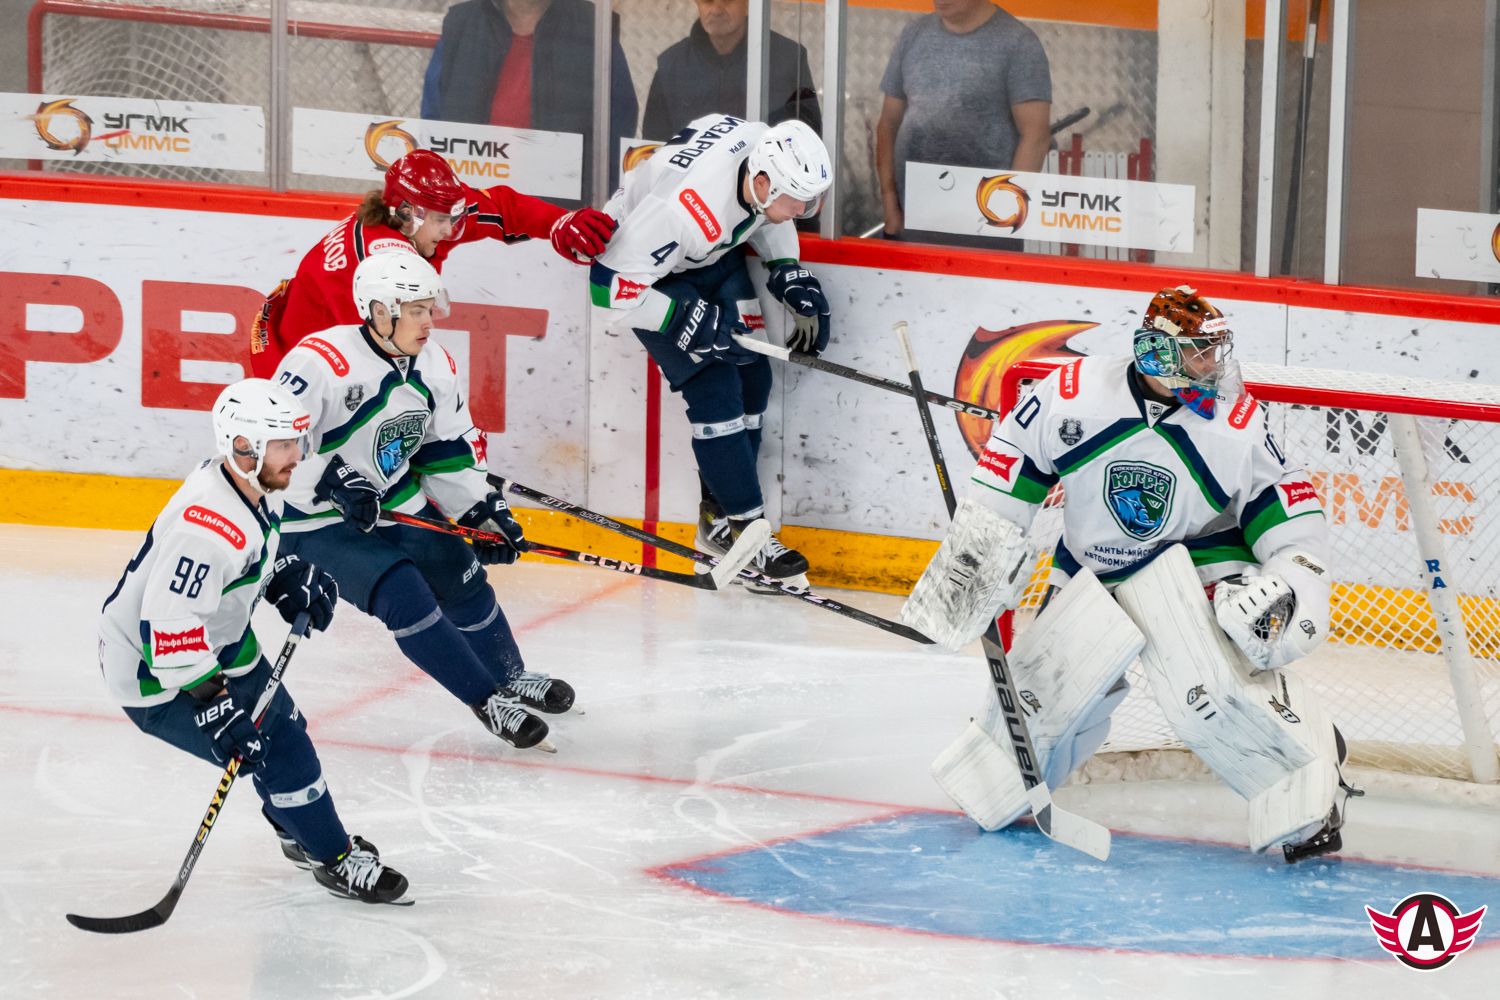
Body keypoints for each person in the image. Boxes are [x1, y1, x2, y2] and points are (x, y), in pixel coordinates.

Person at [902, 286, 1359, 863]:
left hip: (1191, 560)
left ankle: (1311, 789)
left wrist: (1296, 579)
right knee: (1045, 699)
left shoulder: (1235, 424)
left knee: (1209, 698)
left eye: (1214, 350)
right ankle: (1009, 786)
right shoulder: (1072, 394)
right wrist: (979, 560)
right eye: (1198, 352)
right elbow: (1012, 467)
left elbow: (1289, 512)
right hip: (1091, 566)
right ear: (1156, 354)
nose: (1212, 364)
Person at [97, 378, 409, 904]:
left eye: (296, 441)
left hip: (219, 638)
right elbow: (168, 626)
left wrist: (282, 574)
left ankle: (299, 828)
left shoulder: (248, 484)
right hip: (155, 675)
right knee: (278, 749)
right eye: (284, 445)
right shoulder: (207, 526)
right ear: (243, 446)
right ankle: (334, 858)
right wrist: (215, 704)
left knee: (283, 726)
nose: (298, 455)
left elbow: (243, 558)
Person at [274, 252, 572, 752]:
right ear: (379, 311)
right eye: (416, 311)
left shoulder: (435, 364)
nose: (429, 322)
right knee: (404, 593)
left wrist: (481, 511)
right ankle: (486, 701)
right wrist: (329, 480)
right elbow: (274, 444)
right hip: (312, 516)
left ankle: (509, 676)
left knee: (461, 573)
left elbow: (444, 450)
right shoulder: (320, 362)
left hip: (391, 495)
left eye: (430, 309)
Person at [589, 114, 833, 591]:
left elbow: (760, 213)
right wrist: (681, 319)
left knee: (754, 379)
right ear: (762, 182)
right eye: (796, 200)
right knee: (716, 391)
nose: (803, 211)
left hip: (708, 257)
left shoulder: (762, 150)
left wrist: (786, 266)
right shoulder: (682, 209)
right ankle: (748, 532)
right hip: (648, 277)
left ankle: (719, 522)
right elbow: (606, 288)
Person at [249, 148, 615, 380]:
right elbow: (376, 366)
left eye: (451, 216)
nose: (450, 230)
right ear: (405, 213)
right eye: (441, 220)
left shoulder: (428, 215)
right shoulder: (375, 269)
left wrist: (557, 223)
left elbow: (502, 207)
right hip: (294, 371)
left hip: (349, 350)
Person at [420, 0, 638, 199]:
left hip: (560, 209)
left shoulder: (593, 26)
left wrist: (599, 206)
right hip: (473, 200)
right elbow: (434, 116)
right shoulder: (463, 23)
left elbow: (618, 122)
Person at [876, 0, 1051, 244]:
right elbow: (888, 123)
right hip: (911, 220)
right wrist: (889, 204)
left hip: (984, 227)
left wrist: (1003, 214)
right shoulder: (913, 34)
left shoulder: (1019, 43)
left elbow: (1036, 137)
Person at [641, 0, 822, 141]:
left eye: (727, 0)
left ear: (748, 4)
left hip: (762, 177)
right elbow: (654, 146)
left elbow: (810, 138)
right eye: (707, 1)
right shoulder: (671, 65)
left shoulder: (788, 59)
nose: (716, 10)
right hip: (690, 179)